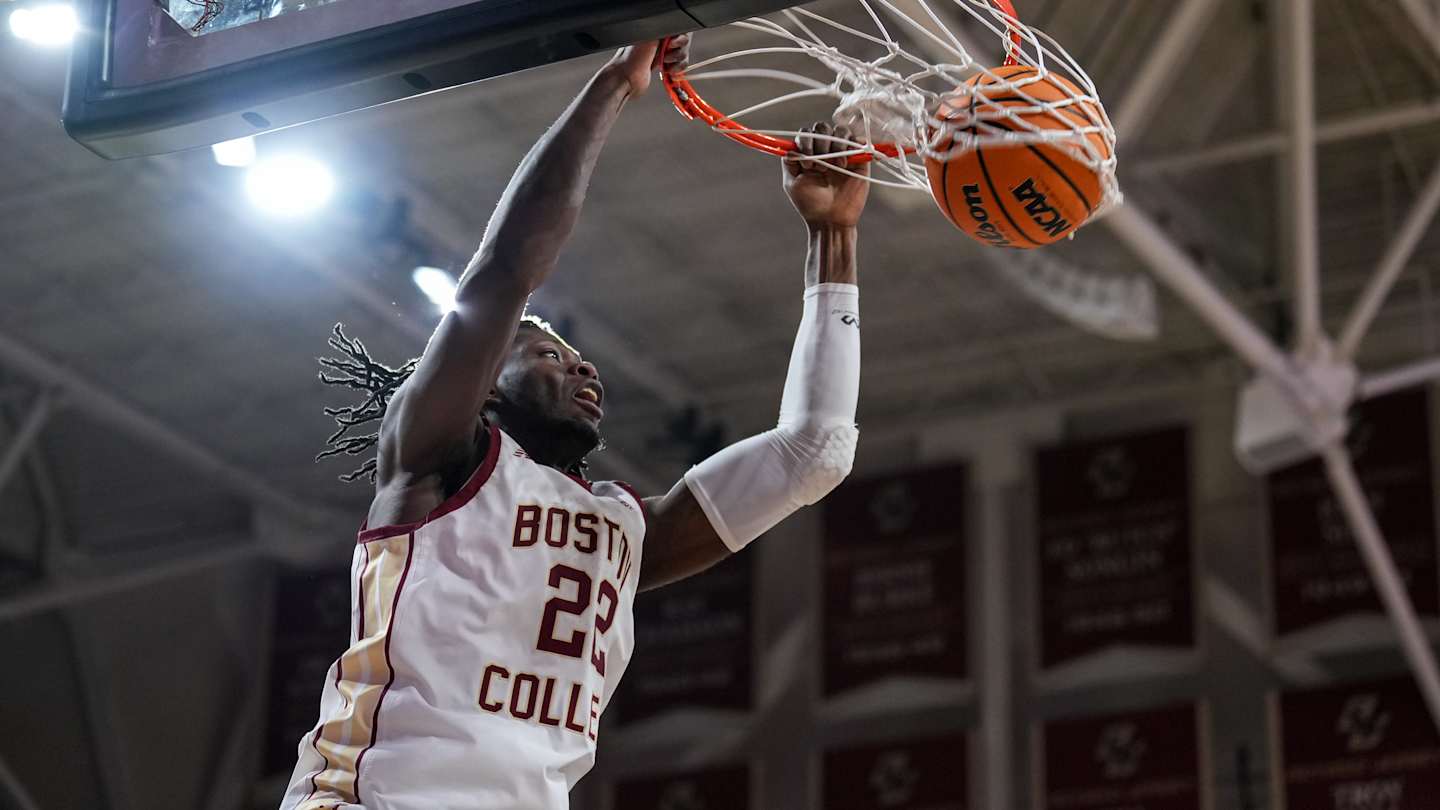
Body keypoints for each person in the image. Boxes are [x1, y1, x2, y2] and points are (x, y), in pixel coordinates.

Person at [283, 35, 869, 810]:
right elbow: (505, 271)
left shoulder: (626, 531)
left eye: (581, 359)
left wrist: (834, 236)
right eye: (547, 352)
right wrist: (613, 84)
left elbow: (814, 452)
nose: (584, 367)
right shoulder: (438, 459)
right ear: (484, 382)